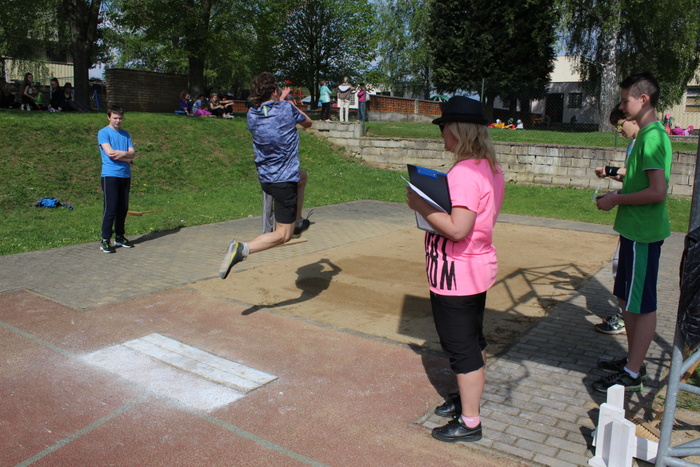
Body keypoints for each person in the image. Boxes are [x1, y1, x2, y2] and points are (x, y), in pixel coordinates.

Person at [406, 96, 505, 443]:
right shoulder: (488, 166)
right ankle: (466, 400)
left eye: (443, 127)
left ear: (457, 130)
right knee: (472, 342)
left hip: (457, 276)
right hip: (474, 268)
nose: (441, 134)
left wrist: (420, 204)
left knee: (462, 350)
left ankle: (470, 422)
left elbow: (458, 229)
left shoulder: (464, 172)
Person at [593, 72, 672, 393]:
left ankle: (633, 372)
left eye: (626, 100)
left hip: (643, 234)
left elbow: (657, 192)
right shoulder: (644, 137)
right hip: (632, 231)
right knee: (627, 300)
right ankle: (631, 361)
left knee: (641, 304)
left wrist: (615, 200)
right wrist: (616, 190)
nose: (622, 107)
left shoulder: (653, 138)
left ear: (643, 99)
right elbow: (639, 183)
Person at [219, 72, 313, 279]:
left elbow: (268, 112)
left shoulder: (252, 115)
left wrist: (278, 100)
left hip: (267, 180)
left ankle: (297, 221)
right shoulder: (286, 108)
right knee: (283, 235)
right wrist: (288, 101)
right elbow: (308, 123)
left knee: (303, 176)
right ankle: (242, 249)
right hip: (284, 181)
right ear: (274, 91)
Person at [592, 107, 638, 336]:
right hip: (628, 221)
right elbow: (628, 177)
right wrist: (609, 174)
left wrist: (615, 195)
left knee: (629, 276)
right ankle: (623, 314)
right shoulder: (633, 143)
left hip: (639, 225)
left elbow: (638, 176)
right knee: (619, 269)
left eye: (620, 125)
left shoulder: (647, 142)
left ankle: (627, 318)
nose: (619, 131)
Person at [98, 105, 136, 253]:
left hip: (125, 175)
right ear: (109, 117)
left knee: (122, 208)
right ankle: (105, 239)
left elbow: (132, 153)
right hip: (110, 175)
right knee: (111, 208)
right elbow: (110, 153)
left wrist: (125, 155)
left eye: (120, 118)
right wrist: (127, 159)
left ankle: (119, 236)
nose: (118, 121)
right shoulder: (103, 133)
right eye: (115, 118)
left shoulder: (125, 134)